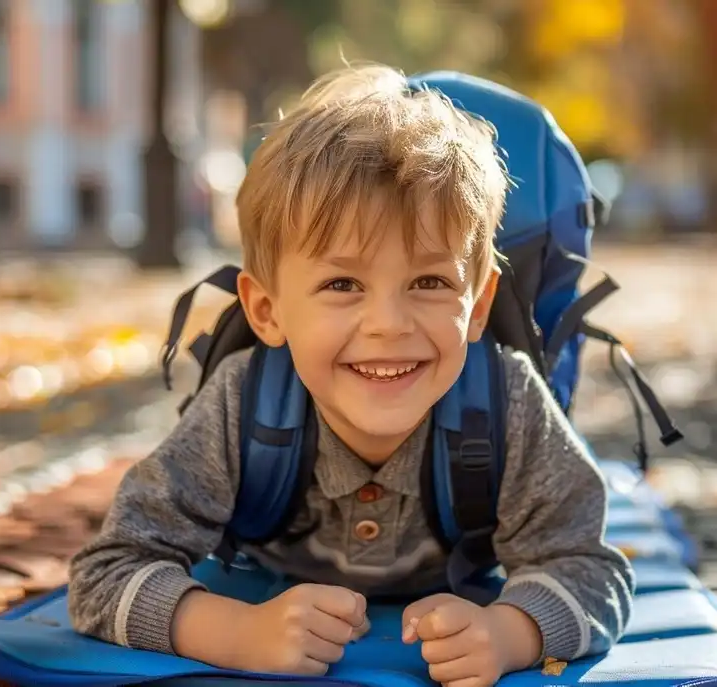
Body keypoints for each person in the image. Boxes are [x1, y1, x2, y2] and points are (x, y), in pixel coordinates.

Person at [68, 63, 635, 686]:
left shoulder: (509, 402)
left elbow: (589, 568)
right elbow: (106, 572)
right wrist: (234, 634)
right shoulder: (244, 405)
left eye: (429, 282)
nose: (388, 324)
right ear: (267, 310)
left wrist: (510, 634)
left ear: (476, 306)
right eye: (343, 283)